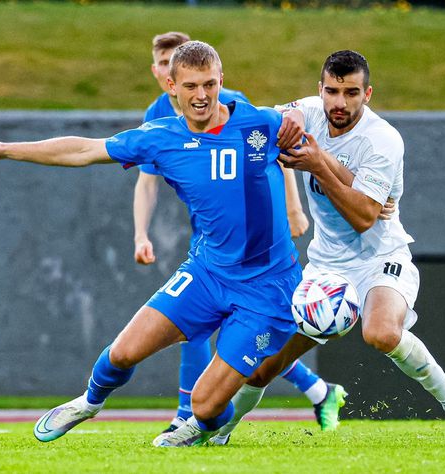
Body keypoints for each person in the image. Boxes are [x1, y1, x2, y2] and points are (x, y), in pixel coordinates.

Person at [0, 41, 313, 447]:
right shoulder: (160, 137)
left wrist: (299, 112)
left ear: (222, 81)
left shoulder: (261, 125)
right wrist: (5, 149)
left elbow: (320, 113)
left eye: (210, 84)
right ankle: (88, 403)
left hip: (267, 287)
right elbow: (83, 150)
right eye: (191, 86)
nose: (201, 96)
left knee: (204, 405)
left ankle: (205, 425)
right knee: (122, 353)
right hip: (206, 273)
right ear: (171, 85)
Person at [168, 50, 445, 447]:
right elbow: (266, 123)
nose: (340, 103)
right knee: (259, 369)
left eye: (351, 93)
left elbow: (364, 217)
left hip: (380, 259)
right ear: (319, 90)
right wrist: (279, 122)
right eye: (332, 91)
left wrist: (319, 163)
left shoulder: (383, 140)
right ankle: (214, 431)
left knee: (381, 332)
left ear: (368, 93)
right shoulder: (306, 111)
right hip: (324, 269)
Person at [135, 32, 345, 438]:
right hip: (209, 241)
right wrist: (140, 233)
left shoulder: (228, 102)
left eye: (170, 62)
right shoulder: (157, 115)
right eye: (161, 64)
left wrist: (294, 208)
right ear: (163, 75)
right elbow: (147, 179)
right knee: (210, 329)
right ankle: (317, 391)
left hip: (252, 245)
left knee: (215, 331)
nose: (166, 71)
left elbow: (272, 151)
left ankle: (188, 416)